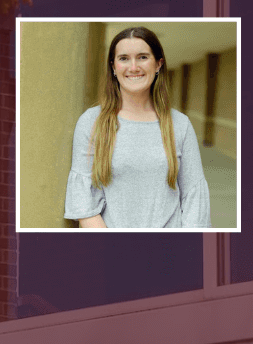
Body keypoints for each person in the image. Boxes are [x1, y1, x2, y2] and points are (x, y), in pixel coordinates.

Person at [64, 27, 209, 228]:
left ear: (158, 64)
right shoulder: (91, 122)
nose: (133, 67)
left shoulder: (180, 124)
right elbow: (84, 204)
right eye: (123, 58)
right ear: (113, 67)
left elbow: (195, 200)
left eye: (142, 57)